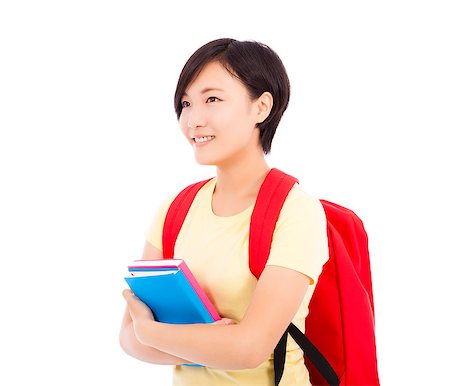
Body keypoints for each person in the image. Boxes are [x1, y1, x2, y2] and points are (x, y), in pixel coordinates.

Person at [119, 38, 329, 386]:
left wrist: (151, 332)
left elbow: (249, 350)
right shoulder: (175, 209)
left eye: (212, 99)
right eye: (186, 103)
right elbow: (127, 337)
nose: (193, 119)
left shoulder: (295, 211)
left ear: (261, 107)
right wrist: (214, 343)